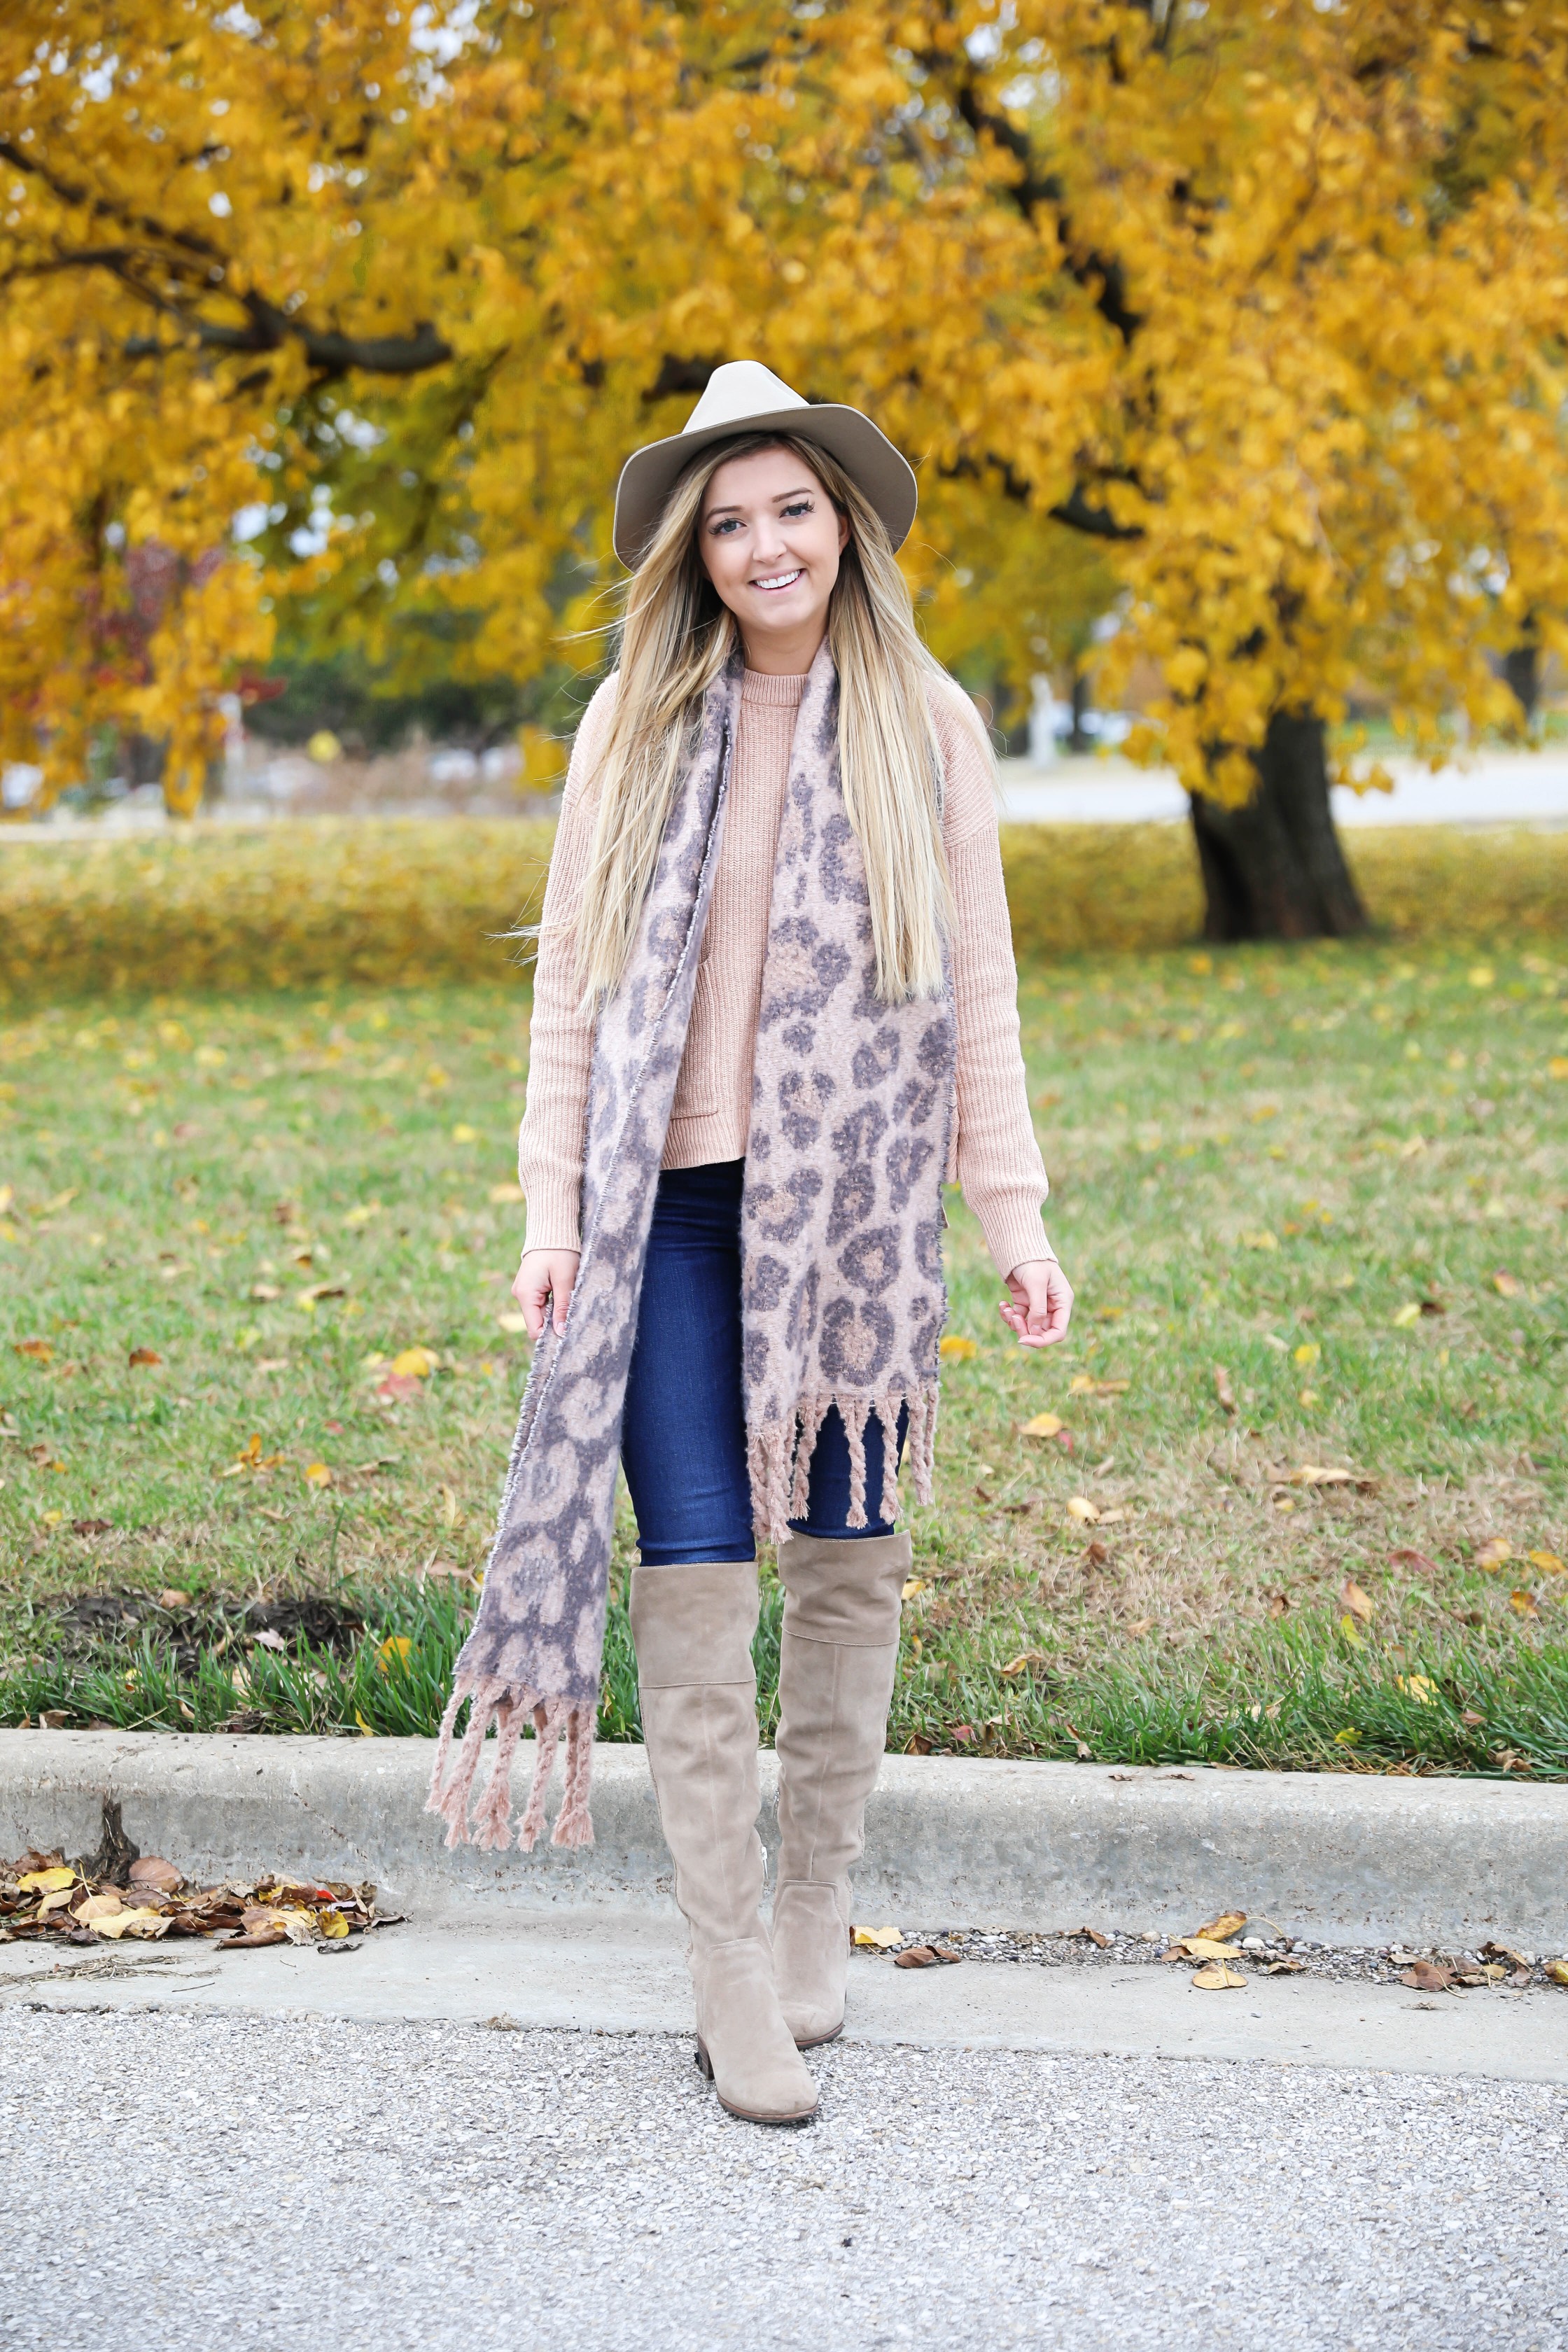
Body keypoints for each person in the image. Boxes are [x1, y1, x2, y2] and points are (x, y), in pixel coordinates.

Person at [429, 361, 1072, 2127]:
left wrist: (1009, 1214)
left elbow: (981, 990)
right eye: (729, 523)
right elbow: (570, 980)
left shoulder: (923, 721)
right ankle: (727, 1980)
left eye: (792, 509)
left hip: (851, 1214)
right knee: (701, 1554)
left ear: (843, 526)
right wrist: (552, 1209)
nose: (764, 544)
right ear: (693, 556)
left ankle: (813, 1917)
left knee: (848, 1548)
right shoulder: (633, 718)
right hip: (671, 1210)